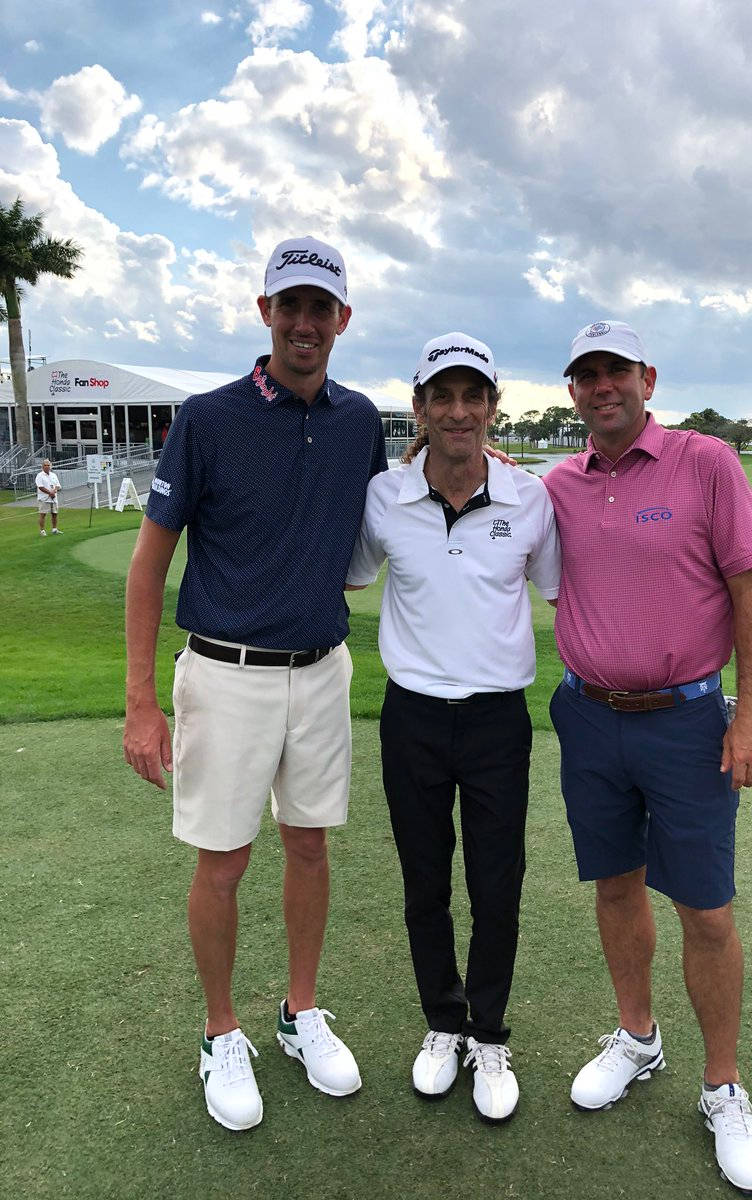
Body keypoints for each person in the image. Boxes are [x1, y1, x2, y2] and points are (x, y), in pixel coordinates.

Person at [123, 237, 387, 1132]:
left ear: (342, 319)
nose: (305, 322)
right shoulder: (207, 416)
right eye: (291, 305)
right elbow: (150, 562)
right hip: (224, 672)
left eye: (321, 308)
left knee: (310, 846)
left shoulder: (359, 422)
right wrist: (139, 701)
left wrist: (488, 466)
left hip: (320, 671)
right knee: (224, 859)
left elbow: (392, 516)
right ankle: (220, 1030)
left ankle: (300, 1011)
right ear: (264, 310)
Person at [543, 321, 752, 1193]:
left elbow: (751, 589)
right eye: (585, 375)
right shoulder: (559, 482)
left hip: (687, 723)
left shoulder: (706, 461)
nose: (601, 386)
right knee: (614, 883)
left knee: (707, 911)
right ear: (572, 391)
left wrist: (751, 712)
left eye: (615, 371)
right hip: (588, 716)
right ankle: (637, 1038)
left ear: (646, 377)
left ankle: (723, 1086)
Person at [346, 333, 560, 1123]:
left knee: (496, 884)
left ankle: (489, 1034)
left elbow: (554, 589)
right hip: (412, 720)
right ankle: (444, 1023)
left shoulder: (529, 499)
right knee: (424, 883)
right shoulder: (384, 498)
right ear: (421, 408)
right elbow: (354, 571)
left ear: (493, 407)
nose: (460, 411)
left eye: (475, 396)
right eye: (445, 396)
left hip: (499, 719)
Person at [35, 458, 62, 535]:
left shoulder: (54, 475)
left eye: (48, 465)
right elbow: (40, 487)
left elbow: (58, 486)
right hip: (44, 498)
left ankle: (54, 529)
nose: (47, 466)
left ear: (51, 466)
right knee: (43, 514)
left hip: (53, 498)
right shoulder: (39, 475)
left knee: (54, 514)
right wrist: (50, 492)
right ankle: (42, 531)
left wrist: (54, 491)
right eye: (45, 465)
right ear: (42, 467)